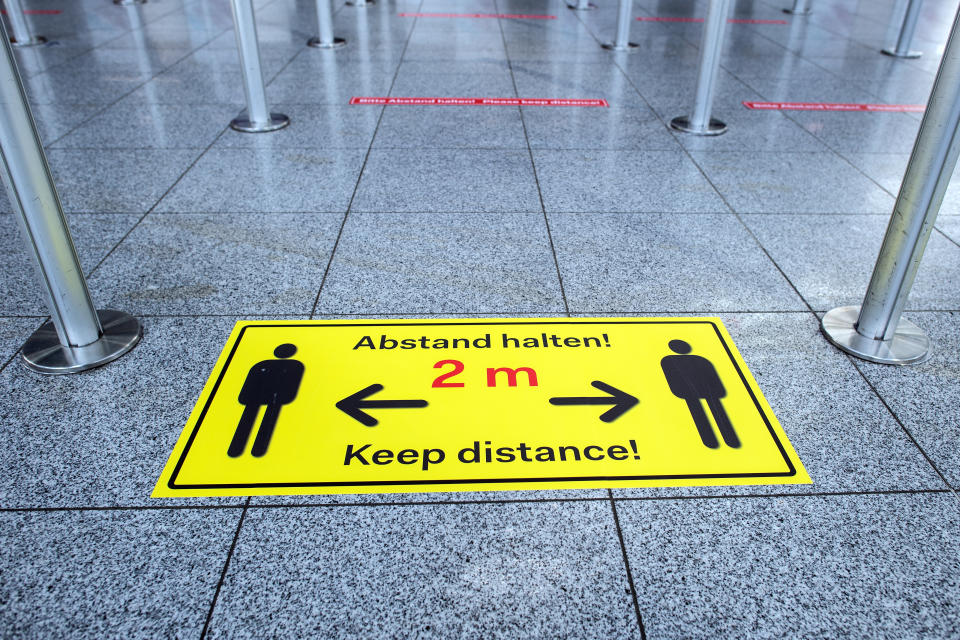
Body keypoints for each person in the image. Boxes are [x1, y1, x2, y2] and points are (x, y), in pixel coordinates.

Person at [660, 339, 740, 449]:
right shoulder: (671, 360)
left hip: (701, 393)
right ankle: (713, 441)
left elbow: (713, 377)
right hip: (695, 393)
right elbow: (672, 377)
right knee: (704, 415)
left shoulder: (669, 360)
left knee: (715, 414)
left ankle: (727, 441)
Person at [228, 343, 305, 458]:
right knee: (247, 421)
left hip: (274, 399)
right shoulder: (288, 365)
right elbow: (251, 381)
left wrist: (285, 398)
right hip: (257, 398)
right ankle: (236, 449)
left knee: (268, 422)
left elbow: (292, 384)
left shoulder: (294, 365)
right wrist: (246, 397)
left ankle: (258, 449)